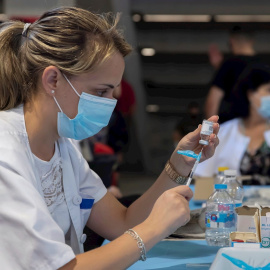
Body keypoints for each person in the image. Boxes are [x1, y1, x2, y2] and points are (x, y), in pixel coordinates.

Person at [0, 7, 219, 269]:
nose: (110, 103)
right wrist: (154, 228)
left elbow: (122, 222)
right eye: (101, 92)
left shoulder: (62, 145)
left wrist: (179, 166)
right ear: (53, 79)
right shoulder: (6, 155)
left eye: (112, 92)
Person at [196, 64, 270, 185]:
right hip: (230, 202)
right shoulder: (225, 132)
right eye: (268, 90)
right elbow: (202, 177)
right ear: (251, 94)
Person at [205, 25, 260, 123]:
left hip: (231, 126)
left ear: (231, 41)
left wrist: (210, 130)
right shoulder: (264, 65)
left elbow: (213, 102)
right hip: (259, 128)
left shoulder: (228, 65)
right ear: (252, 41)